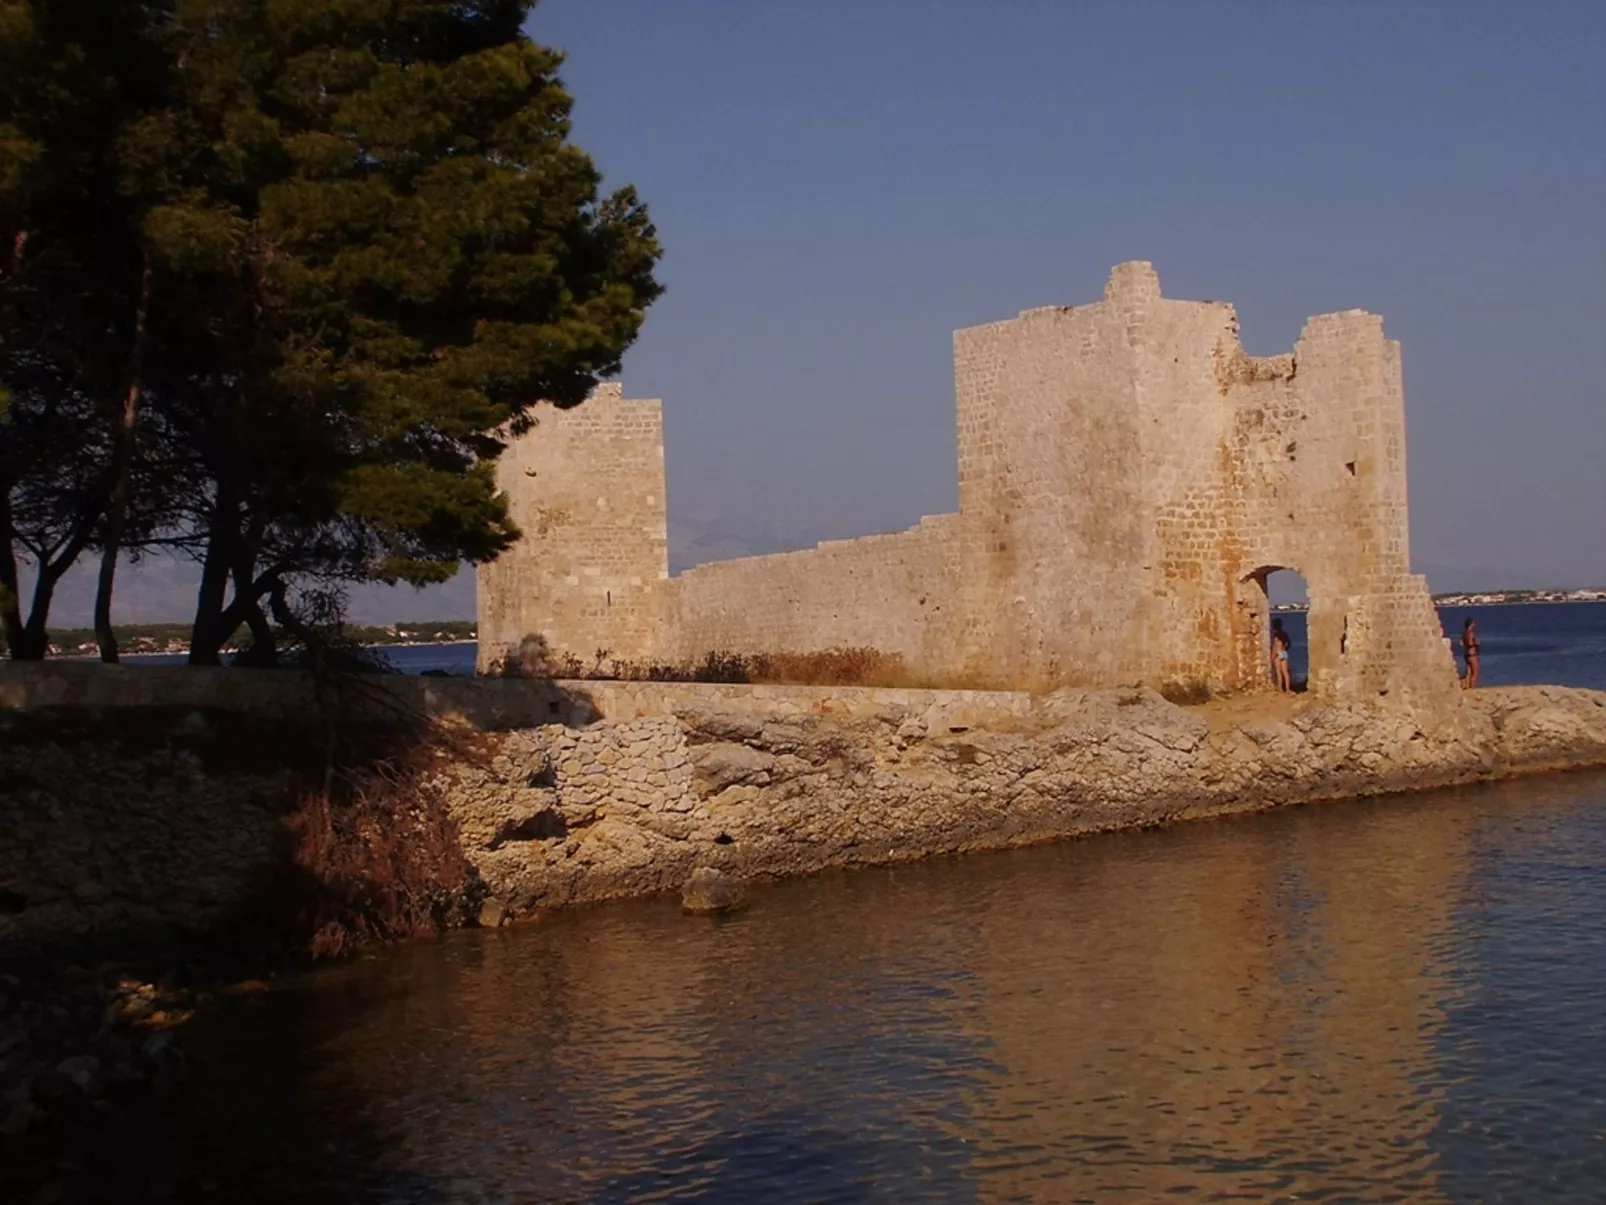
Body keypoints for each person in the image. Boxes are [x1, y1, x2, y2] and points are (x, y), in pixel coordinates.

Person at [1270, 617, 1293, 693]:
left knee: (1278, 673)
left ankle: (1280, 689)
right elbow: (1288, 644)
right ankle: (1288, 689)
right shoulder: (1284, 634)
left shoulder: (1276, 635)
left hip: (1278, 654)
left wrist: (1272, 657)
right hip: (1284, 653)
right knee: (1285, 672)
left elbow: (1274, 646)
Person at [1460, 617, 1480, 689]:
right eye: (1473, 623)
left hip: (1467, 654)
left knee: (1469, 672)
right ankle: (1472, 687)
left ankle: (1468, 686)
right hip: (1472, 654)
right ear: (1470, 624)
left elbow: (1461, 643)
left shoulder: (1464, 633)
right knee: (1475, 672)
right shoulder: (1471, 633)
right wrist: (1476, 643)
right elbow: (1470, 643)